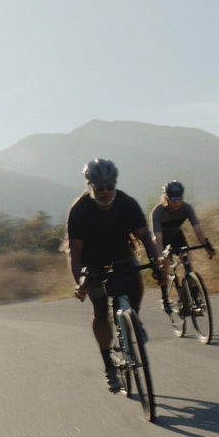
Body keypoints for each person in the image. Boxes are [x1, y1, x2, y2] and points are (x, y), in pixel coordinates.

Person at [66, 158, 166, 391]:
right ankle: (109, 367)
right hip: (91, 261)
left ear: (115, 184)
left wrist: (157, 265)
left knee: (135, 278)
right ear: (90, 186)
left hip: (121, 253)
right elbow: (75, 253)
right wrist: (80, 283)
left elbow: (145, 237)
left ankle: (134, 319)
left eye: (110, 186)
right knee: (100, 309)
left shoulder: (126, 203)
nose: (105, 191)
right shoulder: (79, 210)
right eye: (99, 187)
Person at [150, 180, 216, 313]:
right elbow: (157, 237)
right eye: (173, 199)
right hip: (161, 238)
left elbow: (198, 230)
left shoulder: (186, 208)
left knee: (188, 262)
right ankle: (165, 299)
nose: (177, 202)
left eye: (179, 198)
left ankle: (195, 300)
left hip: (177, 236)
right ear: (166, 198)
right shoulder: (158, 212)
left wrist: (207, 246)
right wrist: (161, 256)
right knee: (165, 266)